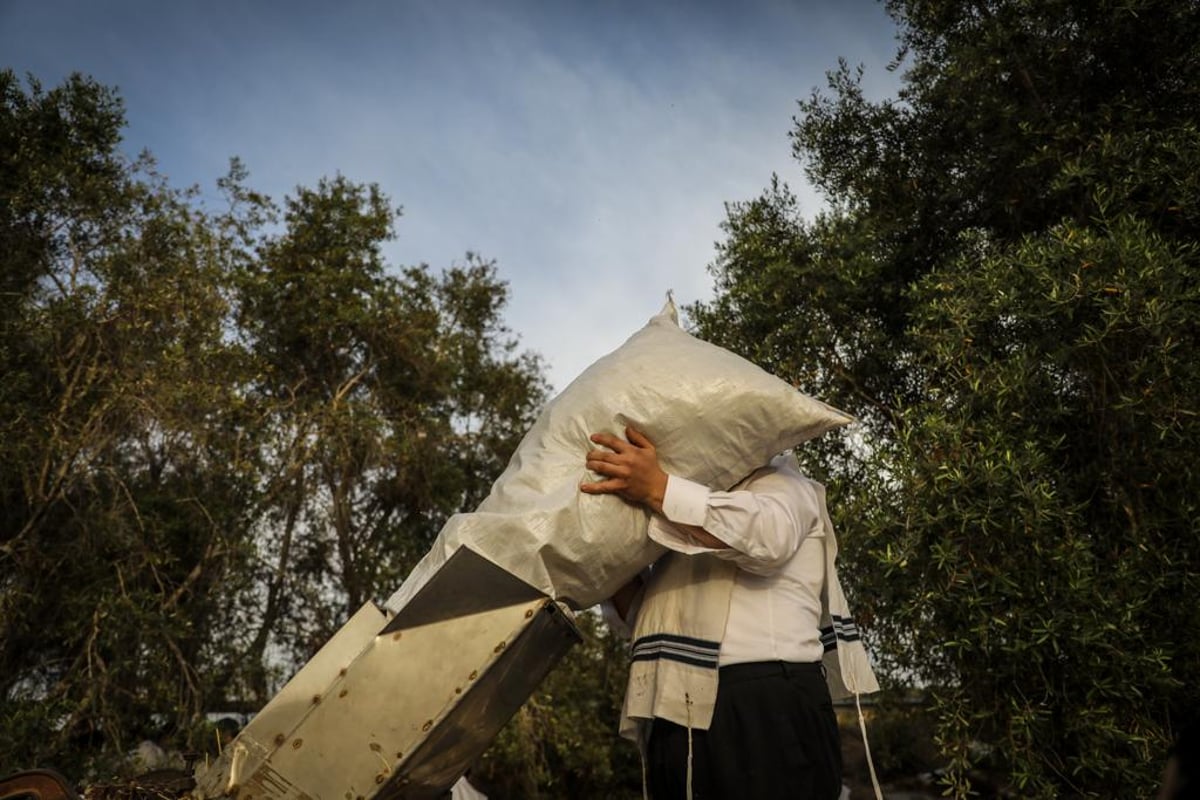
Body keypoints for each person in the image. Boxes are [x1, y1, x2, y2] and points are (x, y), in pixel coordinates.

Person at [582, 426, 878, 800]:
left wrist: (658, 487)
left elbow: (768, 538)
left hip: (764, 709)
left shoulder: (782, 482)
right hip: (677, 709)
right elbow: (648, 620)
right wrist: (605, 562)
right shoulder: (679, 516)